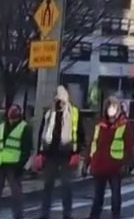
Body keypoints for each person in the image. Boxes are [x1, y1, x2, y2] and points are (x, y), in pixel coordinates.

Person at [38, 86, 86, 219]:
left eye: (61, 100)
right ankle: (44, 213)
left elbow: (80, 134)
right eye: (57, 100)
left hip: (67, 154)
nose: (59, 103)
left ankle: (67, 213)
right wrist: (40, 152)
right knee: (48, 185)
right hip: (51, 154)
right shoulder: (49, 113)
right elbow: (42, 133)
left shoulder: (74, 113)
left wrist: (77, 152)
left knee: (66, 186)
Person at [87, 95, 134, 219]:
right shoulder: (99, 125)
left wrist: (126, 164)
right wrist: (88, 162)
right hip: (99, 165)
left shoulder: (124, 125)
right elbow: (93, 143)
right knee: (98, 196)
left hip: (115, 167)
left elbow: (129, 146)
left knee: (115, 196)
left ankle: (115, 216)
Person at [0, 105, 33, 219]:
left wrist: (20, 165)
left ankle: (18, 216)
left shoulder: (24, 128)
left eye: (15, 111)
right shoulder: (1, 126)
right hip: (0, 165)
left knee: (16, 194)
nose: (12, 113)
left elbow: (26, 150)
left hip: (14, 166)